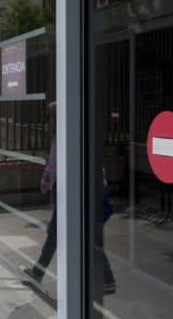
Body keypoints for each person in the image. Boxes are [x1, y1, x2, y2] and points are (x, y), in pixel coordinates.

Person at [23, 103, 116, 294]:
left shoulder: (63, 135)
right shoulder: (82, 131)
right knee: (72, 235)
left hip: (74, 194)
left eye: (50, 116)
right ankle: (106, 279)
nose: (49, 121)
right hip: (88, 191)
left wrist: (45, 185)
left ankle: (106, 278)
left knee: (60, 234)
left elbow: (52, 166)